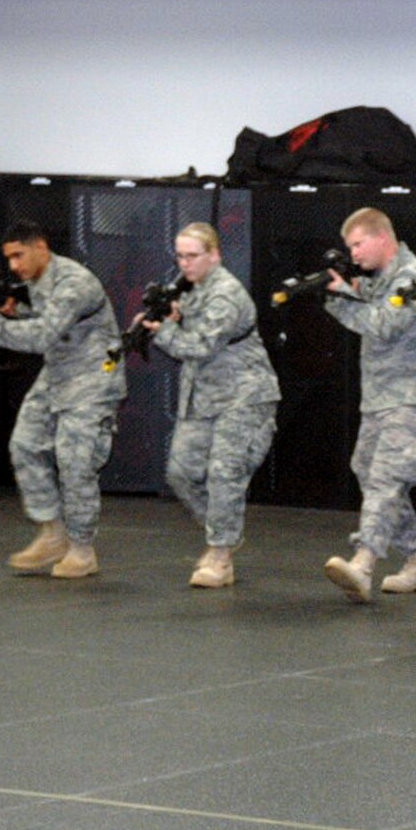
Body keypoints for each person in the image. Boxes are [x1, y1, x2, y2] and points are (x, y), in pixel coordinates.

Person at [0, 221, 124, 579]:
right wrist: (5, 311)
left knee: (75, 462)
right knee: (25, 445)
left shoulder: (74, 283)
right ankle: (52, 532)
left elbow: (43, 335)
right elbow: (39, 320)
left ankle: (82, 550)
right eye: (9, 258)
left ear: (41, 247)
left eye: (19, 255)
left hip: (95, 377)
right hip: (59, 373)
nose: (14, 266)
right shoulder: (36, 282)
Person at [138, 222, 278, 588]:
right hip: (203, 396)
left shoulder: (226, 294)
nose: (185, 264)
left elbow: (200, 346)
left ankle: (219, 553)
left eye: (193, 256)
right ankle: (225, 531)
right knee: (180, 473)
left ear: (214, 255)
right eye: (180, 256)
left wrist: (163, 331)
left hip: (244, 395)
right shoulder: (189, 289)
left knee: (224, 473)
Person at [319, 207, 416, 601]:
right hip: (379, 399)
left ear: (382, 238)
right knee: (366, 470)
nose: (353, 253)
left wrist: (343, 299)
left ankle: (364, 562)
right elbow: (368, 312)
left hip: (410, 399)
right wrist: (340, 296)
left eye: (358, 244)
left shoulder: (410, 277)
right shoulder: (380, 280)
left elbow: (384, 325)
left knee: (387, 477)